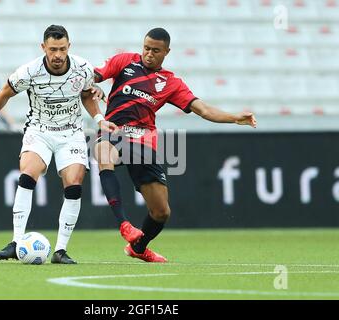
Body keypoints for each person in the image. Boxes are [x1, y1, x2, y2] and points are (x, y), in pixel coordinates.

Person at [93, 28, 257, 263]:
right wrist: (94, 85)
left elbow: (203, 110)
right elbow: (92, 76)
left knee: (161, 212)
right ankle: (124, 224)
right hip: (114, 131)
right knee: (103, 152)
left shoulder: (170, 82)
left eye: (155, 50)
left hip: (143, 142)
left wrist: (234, 117)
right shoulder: (124, 61)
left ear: (166, 52)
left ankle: (139, 248)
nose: (149, 54)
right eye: (146, 48)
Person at [0, 25, 116, 264]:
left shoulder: (82, 68)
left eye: (62, 49)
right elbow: (5, 92)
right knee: (28, 173)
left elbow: (86, 94)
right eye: (53, 49)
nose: (58, 55)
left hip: (71, 133)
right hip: (39, 130)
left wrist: (100, 119)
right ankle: (16, 241)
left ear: (69, 46)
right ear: (44, 48)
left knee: (74, 184)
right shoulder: (30, 71)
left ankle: (60, 251)